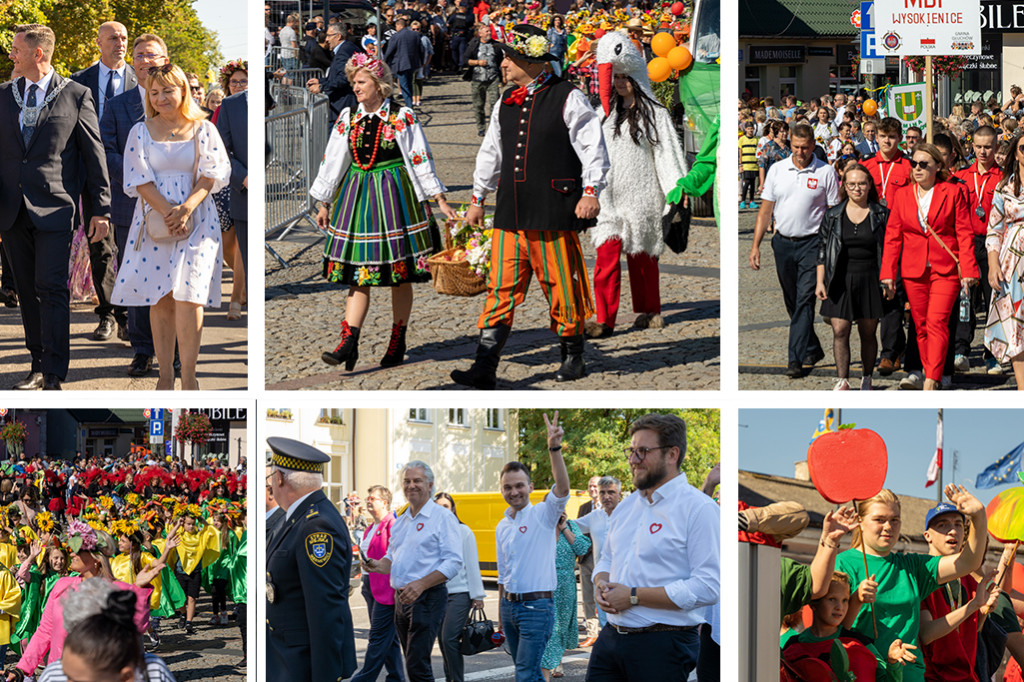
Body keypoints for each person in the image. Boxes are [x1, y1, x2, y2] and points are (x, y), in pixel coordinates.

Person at [451, 24, 609, 389]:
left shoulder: (568, 97)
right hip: (511, 213)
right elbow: (491, 153)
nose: (502, 63)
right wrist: (478, 198)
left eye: (509, 57)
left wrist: (591, 192)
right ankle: (484, 366)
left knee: (562, 286)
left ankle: (573, 356)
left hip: (553, 210)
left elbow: (593, 149)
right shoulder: (505, 103)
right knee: (500, 288)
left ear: (531, 61)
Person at [310, 53, 455, 370]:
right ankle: (349, 341)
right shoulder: (348, 117)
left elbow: (420, 157)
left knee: (398, 276)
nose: (355, 87)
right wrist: (324, 202)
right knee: (359, 272)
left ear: (379, 84)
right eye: (353, 82)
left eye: (360, 82)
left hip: (396, 198)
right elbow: (334, 159)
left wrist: (439, 199)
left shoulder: (401, 116)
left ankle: (397, 340)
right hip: (358, 196)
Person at [0, 24, 112, 391]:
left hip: (55, 209)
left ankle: (54, 372)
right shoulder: (3, 95)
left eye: (16, 49)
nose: (11, 55)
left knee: (51, 287)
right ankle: (35, 362)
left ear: (38, 53)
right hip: (12, 211)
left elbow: (94, 156)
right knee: (27, 293)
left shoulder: (76, 95)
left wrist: (101, 209)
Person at [110, 64, 231, 391]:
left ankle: (189, 377)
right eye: (154, 92)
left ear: (183, 91)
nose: (161, 97)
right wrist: (168, 212)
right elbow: (138, 178)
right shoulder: (141, 131)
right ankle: (165, 377)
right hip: (154, 221)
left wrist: (186, 208)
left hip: (198, 221)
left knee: (191, 296)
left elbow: (213, 173)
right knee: (160, 298)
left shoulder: (203, 128)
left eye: (168, 90)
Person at [587, 414, 720, 680]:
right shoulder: (625, 507)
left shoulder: (699, 508)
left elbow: (708, 587)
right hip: (611, 638)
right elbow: (607, 559)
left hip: (663, 643)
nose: (633, 460)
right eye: (632, 451)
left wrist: (633, 595)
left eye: (643, 452)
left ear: (672, 454)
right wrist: (601, 584)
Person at [586, 33, 686, 339]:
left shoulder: (656, 114)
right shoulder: (603, 114)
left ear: (636, 78)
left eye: (625, 77)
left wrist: (675, 193)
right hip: (609, 198)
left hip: (642, 196)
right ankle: (604, 318)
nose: (619, 83)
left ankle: (648, 310)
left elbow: (667, 154)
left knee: (643, 258)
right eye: (615, 77)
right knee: (605, 258)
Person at [835, 486, 988, 682]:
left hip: (909, 675)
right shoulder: (842, 563)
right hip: (861, 674)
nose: (888, 526)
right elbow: (830, 627)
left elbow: (968, 562)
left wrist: (978, 517)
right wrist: (856, 599)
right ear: (860, 522)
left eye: (895, 520)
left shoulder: (912, 566)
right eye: (879, 519)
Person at [8, 523, 168, 677]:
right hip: (60, 674)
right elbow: (44, 632)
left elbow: (137, 627)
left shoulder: (119, 589)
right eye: (71, 549)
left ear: (96, 557)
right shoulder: (61, 586)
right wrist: (22, 669)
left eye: (77, 550)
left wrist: (139, 588)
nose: (71, 554)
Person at [880, 143, 979, 390]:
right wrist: (888, 274)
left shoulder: (952, 192)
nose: (918, 168)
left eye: (924, 164)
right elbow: (893, 237)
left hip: (945, 268)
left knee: (937, 321)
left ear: (937, 166)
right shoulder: (902, 194)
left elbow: (964, 233)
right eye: (914, 163)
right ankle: (930, 372)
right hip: (913, 270)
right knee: (920, 324)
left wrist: (968, 270)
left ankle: (932, 379)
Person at [99, 34, 170, 379]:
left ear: (165, 59)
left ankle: (172, 350)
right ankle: (143, 350)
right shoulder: (117, 105)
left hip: (176, 206)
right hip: (133, 205)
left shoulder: (178, 101)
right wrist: (139, 175)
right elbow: (107, 151)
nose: (144, 61)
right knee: (141, 280)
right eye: (139, 55)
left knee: (172, 282)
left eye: (152, 55)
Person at [750, 123, 839, 378]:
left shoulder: (825, 172)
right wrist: (755, 246)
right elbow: (765, 210)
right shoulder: (777, 170)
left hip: (812, 244)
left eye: (805, 147)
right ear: (790, 144)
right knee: (791, 300)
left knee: (804, 301)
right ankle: (811, 347)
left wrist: (831, 250)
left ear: (813, 145)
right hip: (783, 243)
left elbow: (833, 214)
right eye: (796, 147)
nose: (801, 152)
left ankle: (795, 358)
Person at [266, 437, 357, 682]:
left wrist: (325, 676)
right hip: (286, 658)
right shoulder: (298, 517)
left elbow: (325, 609)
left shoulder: (316, 525)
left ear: (280, 478)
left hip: (300, 663)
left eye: (271, 478)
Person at [363, 462, 462, 682]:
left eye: (417, 481)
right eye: (407, 481)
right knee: (411, 661)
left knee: (417, 664)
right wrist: (377, 565)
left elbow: (453, 562)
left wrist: (421, 584)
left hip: (427, 598)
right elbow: (392, 557)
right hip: (401, 599)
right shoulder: (402, 519)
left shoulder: (442, 517)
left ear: (430, 485)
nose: (411, 485)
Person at [71, 21, 136, 345]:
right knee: (101, 248)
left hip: (131, 177)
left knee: (127, 248)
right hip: (92, 177)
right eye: (113, 38)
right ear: (98, 42)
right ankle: (109, 314)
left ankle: (129, 316)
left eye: (124, 38)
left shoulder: (142, 81)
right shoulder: (79, 81)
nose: (120, 43)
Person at [495, 411, 570, 682]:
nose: (514, 492)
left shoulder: (543, 514)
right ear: (501, 490)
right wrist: (501, 612)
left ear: (530, 486)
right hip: (509, 607)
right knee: (526, 672)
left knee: (525, 673)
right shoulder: (502, 526)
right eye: (507, 487)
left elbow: (562, 488)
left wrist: (554, 447)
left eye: (519, 486)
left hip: (537, 608)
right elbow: (503, 573)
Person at [815, 163, 889, 390]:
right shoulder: (833, 215)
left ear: (869, 186)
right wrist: (820, 281)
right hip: (840, 278)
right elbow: (822, 249)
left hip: (870, 278)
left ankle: (867, 377)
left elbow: (890, 248)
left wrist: (888, 279)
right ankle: (843, 380)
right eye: (852, 184)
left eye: (862, 184)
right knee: (840, 330)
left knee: (868, 333)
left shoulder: (881, 214)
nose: (857, 189)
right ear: (844, 187)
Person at [780, 571, 915, 680]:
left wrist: (892, 662)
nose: (840, 607)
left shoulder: (859, 643)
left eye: (845, 600)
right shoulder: (792, 647)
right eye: (832, 599)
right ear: (813, 603)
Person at [919, 502, 1001, 681]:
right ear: (927, 536)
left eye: (958, 524)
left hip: (967, 676)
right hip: (931, 677)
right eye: (943, 525)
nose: (953, 530)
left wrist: (984, 611)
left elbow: (971, 631)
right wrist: (973, 606)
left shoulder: (969, 580)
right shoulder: (919, 574)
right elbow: (925, 635)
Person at [34, 582, 176, 682]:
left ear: (126, 678)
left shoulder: (152, 671)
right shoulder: (55, 674)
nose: (65, 681)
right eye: (66, 674)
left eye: (78, 680)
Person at [862, 117, 912, 377]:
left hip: (901, 236)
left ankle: (889, 353)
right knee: (878, 294)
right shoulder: (867, 166)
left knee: (894, 292)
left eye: (892, 136)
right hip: (872, 237)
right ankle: (895, 346)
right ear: (877, 138)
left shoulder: (909, 166)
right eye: (883, 136)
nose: (887, 141)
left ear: (899, 138)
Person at [952, 126, 1002, 375]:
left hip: (993, 245)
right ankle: (961, 349)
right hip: (967, 243)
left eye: (988, 147)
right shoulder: (960, 176)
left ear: (996, 148)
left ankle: (992, 353)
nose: (983, 151)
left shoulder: (1003, 178)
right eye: (979, 146)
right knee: (965, 299)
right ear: (972, 146)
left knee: (994, 300)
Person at [351, 486, 405, 682]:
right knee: (389, 639)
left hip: (387, 588)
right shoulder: (370, 528)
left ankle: (363, 679)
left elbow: (397, 556)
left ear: (384, 502)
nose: (368, 501)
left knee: (377, 637)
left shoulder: (392, 523)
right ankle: (396, 677)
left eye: (372, 498)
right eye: (368, 498)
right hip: (370, 585)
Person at [433, 492, 485, 682]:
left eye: (445, 506)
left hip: (459, 594)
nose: (442, 510)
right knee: (444, 643)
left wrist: (477, 595)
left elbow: (472, 564)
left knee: (449, 639)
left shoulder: (464, 531)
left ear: (453, 509)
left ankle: (456, 680)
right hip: (437, 594)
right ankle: (451, 679)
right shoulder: (434, 532)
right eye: (438, 507)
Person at [985, 133, 1024, 389]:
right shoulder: (1003, 187)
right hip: (1011, 264)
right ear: (1016, 152)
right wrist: (992, 264)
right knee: (1015, 326)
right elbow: (994, 229)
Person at [540, 499, 590, 680]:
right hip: (543, 584)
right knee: (546, 628)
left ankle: (549, 665)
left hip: (565, 585)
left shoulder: (570, 526)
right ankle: (546, 667)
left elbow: (583, 548)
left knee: (559, 628)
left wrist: (563, 528)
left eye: (559, 507)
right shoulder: (540, 528)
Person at [215, 62, 249, 322]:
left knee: (240, 245)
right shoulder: (223, 109)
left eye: (243, 80)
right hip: (224, 184)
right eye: (235, 81)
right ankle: (243, 284)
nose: (239, 85)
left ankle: (236, 297)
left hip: (239, 186)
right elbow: (218, 148)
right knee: (228, 245)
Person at [575, 476, 621, 636]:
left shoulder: (629, 515)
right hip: (601, 580)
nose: (606, 496)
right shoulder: (594, 517)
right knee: (605, 623)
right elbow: (571, 526)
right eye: (603, 492)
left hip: (624, 579)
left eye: (611, 492)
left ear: (619, 494)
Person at [307, 23, 365, 121]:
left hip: (342, 106)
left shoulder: (343, 52)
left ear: (338, 36)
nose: (326, 39)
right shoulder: (348, 47)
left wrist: (322, 87)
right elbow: (338, 76)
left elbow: (344, 78)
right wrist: (320, 81)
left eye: (329, 36)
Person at [463, 23, 503, 138]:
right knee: (478, 105)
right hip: (478, 79)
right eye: (486, 31)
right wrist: (477, 62)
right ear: (480, 34)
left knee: (494, 104)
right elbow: (465, 59)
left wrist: (503, 77)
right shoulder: (474, 44)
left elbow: (501, 62)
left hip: (493, 78)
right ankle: (481, 128)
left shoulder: (496, 45)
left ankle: (492, 128)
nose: (489, 33)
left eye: (489, 31)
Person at [576, 477, 601, 647]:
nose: (592, 489)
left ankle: (606, 629)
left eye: (595, 486)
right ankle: (592, 633)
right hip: (586, 558)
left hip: (604, 559)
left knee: (603, 594)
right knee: (587, 596)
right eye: (590, 486)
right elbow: (577, 531)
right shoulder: (583, 508)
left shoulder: (611, 507)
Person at [384, 17, 424, 107]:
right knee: (409, 84)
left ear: (399, 25)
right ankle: (410, 104)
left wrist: (384, 61)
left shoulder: (395, 37)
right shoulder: (415, 35)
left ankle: (409, 106)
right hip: (413, 63)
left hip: (401, 64)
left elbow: (389, 51)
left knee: (404, 86)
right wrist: (420, 62)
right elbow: (421, 49)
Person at [739, 121, 759, 210]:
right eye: (748, 129)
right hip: (746, 164)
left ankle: (751, 201)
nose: (750, 130)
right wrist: (740, 164)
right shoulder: (742, 139)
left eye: (751, 129)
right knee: (746, 182)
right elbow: (740, 152)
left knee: (752, 183)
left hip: (754, 164)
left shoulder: (756, 139)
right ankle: (743, 201)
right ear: (745, 129)